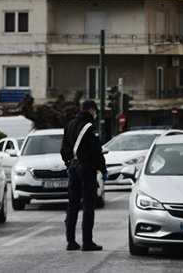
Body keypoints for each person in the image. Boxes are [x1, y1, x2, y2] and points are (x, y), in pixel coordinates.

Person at [60, 99, 107, 251]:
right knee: (88, 205)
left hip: (73, 167)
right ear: (91, 110)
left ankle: (71, 241)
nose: (96, 114)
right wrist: (103, 170)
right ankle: (87, 242)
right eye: (95, 112)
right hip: (86, 169)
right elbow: (96, 152)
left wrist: (69, 164)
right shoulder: (90, 128)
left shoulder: (70, 125)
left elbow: (63, 149)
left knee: (72, 205)